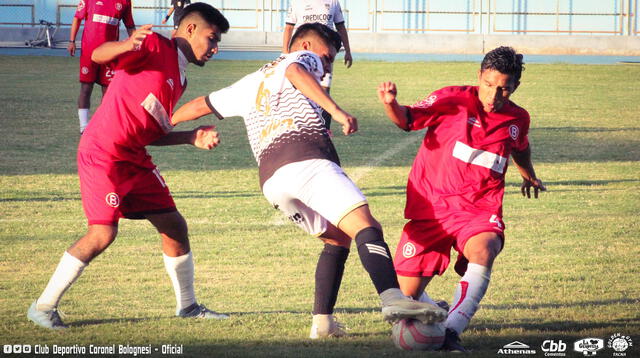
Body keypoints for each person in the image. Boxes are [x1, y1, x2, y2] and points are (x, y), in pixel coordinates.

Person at [171, 22, 447, 339]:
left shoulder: (251, 81)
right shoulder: (300, 60)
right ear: (306, 48)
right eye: (327, 57)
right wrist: (337, 110)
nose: (327, 65)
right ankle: (393, 298)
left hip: (272, 181)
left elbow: (199, 105)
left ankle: (323, 323)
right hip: (306, 158)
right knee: (365, 225)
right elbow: (294, 73)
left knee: (337, 238)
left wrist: (161, 124)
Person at [27, 3, 231, 329]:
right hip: (103, 153)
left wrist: (190, 137)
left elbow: (153, 131)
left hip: (134, 157)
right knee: (103, 232)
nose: (215, 48)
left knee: (174, 226)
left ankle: (188, 307)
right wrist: (124, 44)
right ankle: (43, 306)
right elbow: (97, 55)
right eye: (212, 38)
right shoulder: (154, 45)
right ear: (190, 29)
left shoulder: (181, 78)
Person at [377, 46, 547, 351]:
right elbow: (407, 120)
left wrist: (529, 174)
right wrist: (391, 104)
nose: (494, 95)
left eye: (504, 89)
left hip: (479, 210)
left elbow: (519, 147)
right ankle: (437, 312)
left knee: (485, 249)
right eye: (489, 85)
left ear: (515, 87)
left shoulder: (518, 119)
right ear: (479, 76)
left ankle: (452, 332)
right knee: (406, 295)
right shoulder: (453, 99)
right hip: (432, 207)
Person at [282, 0, 352, 130]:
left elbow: (341, 27)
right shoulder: (297, 3)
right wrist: (285, 53)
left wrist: (348, 51)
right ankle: (299, 125)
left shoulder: (333, 2)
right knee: (300, 90)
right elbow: (289, 27)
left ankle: (324, 128)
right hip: (303, 56)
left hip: (325, 55)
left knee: (324, 91)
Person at [68, 0, 136, 133]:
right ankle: (84, 126)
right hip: (89, 52)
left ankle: (104, 124)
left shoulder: (125, 2)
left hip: (110, 54)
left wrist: (137, 45)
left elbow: (130, 26)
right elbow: (77, 18)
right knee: (86, 87)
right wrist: (72, 41)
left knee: (108, 91)